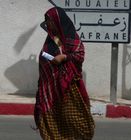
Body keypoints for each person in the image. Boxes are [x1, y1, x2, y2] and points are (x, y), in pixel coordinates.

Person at [34, 6, 95, 140]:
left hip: (68, 88)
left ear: (58, 20)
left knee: (75, 120)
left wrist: (64, 57)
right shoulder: (51, 39)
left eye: (50, 20)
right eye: (47, 21)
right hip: (49, 89)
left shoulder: (71, 37)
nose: (48, 24)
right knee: (51, 120)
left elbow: (79, 54)